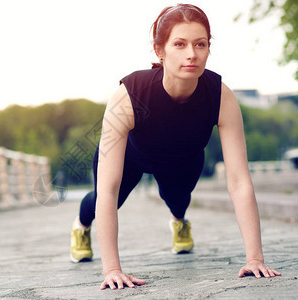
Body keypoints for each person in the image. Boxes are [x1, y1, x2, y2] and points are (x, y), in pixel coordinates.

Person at [69, 3, 281, 290]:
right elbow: (108, 187)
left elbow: (239, 181)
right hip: (132, 156)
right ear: (160, 50)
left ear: (208, 48)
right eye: (179, 44)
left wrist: (255, 258)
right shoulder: (130, 95)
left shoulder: (221, 96)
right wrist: (112, 270)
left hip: (183, 158)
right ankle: (81, 228)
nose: (191, 54)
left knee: (178, 199)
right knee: (102, 200)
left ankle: (179, 222)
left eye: (200, 44)